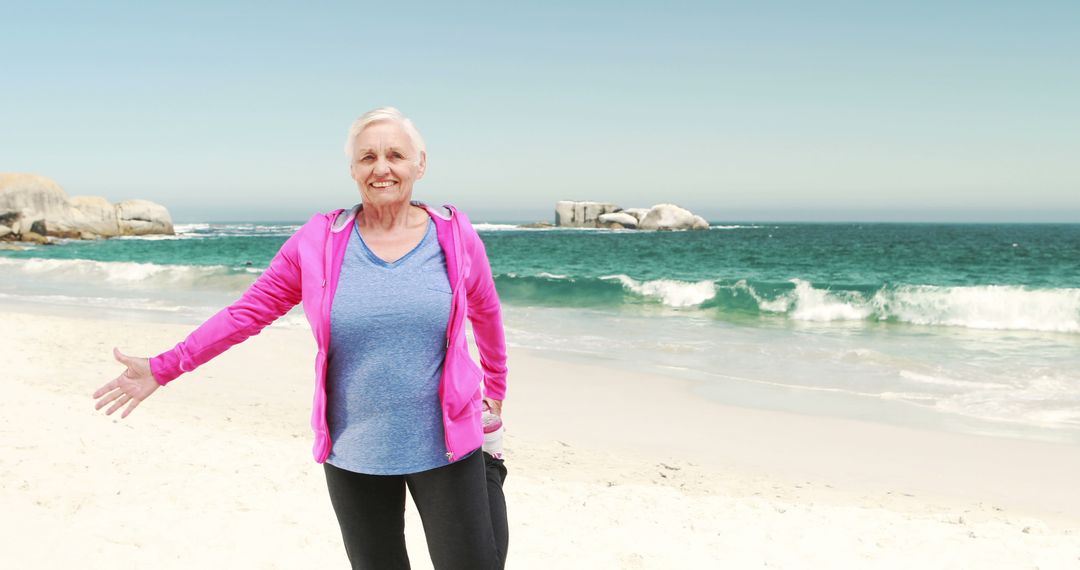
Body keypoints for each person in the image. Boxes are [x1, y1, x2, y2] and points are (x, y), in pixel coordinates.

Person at [92, 107, 510, 570]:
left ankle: (489, 466)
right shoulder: (318, 241)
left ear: (420, 164)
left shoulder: (454, 234)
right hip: (354, 452)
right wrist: (166, 366)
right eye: (367, 157)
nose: (382, 167)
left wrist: (496, 387)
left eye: (396, 154)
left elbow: (486, 311)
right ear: (353, 169)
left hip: (447, 444)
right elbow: (247, 312)